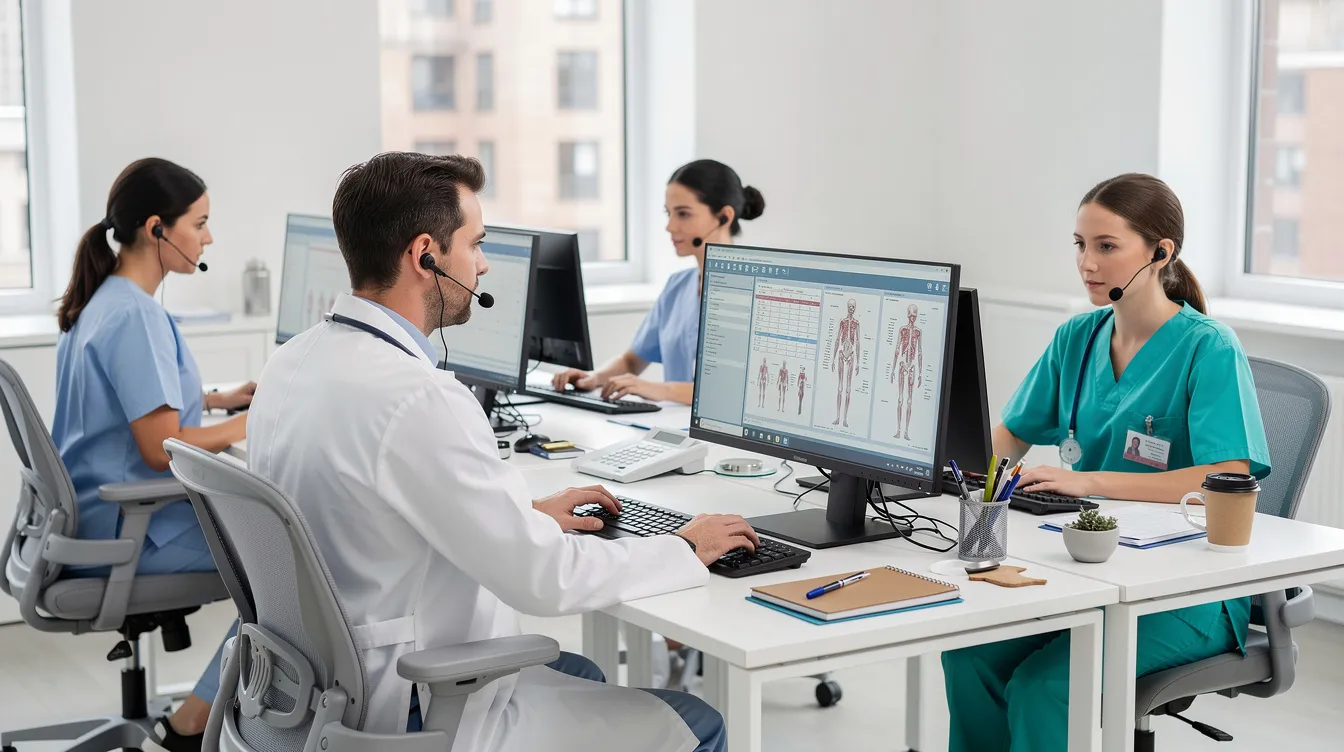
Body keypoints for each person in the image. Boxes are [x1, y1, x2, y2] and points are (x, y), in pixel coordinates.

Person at [246, 152, 760, 752]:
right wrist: (684, 546)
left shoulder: (292, 363)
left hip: (308, 694)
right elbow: (545, 581)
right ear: (425, 257)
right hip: (410, 705)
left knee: (583, 675)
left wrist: (525, 515)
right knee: (700, 724)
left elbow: (380, 512)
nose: (485, 264)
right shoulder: (419, 398)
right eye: (476, 244)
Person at [940, 173, 1271, 752]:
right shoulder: (1078, 338)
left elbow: (1229, 478)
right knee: (967, 657)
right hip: (1089, 570)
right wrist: (949, 476)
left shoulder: (1207, 347)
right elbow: (1008, 439)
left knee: (1047, 687)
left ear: (1161, 252)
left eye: (1106, 246)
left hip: (1187, 594)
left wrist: (1085, 480)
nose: (1087, 263)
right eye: (1080, 244)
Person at [51, 158, 255, 752]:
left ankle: (211, 710)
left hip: (94, 517)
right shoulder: (135, 317)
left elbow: (128, 405)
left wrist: (214, 399)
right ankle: (190, 725)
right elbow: (159, 447)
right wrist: (251, 420)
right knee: (291, 569)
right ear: (156, 228)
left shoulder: (106, 298)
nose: (209, 237)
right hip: (128, 531)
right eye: (201, 222)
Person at [552, 159, 765, 404]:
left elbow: (737, 390)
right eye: (669, 213)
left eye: (683, 214)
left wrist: (659, 390)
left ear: (724, 217)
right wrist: (595, 377)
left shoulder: (755, 293)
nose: (670, 226)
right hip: (673, 426)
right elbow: (633, 360)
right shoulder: (678, 286)